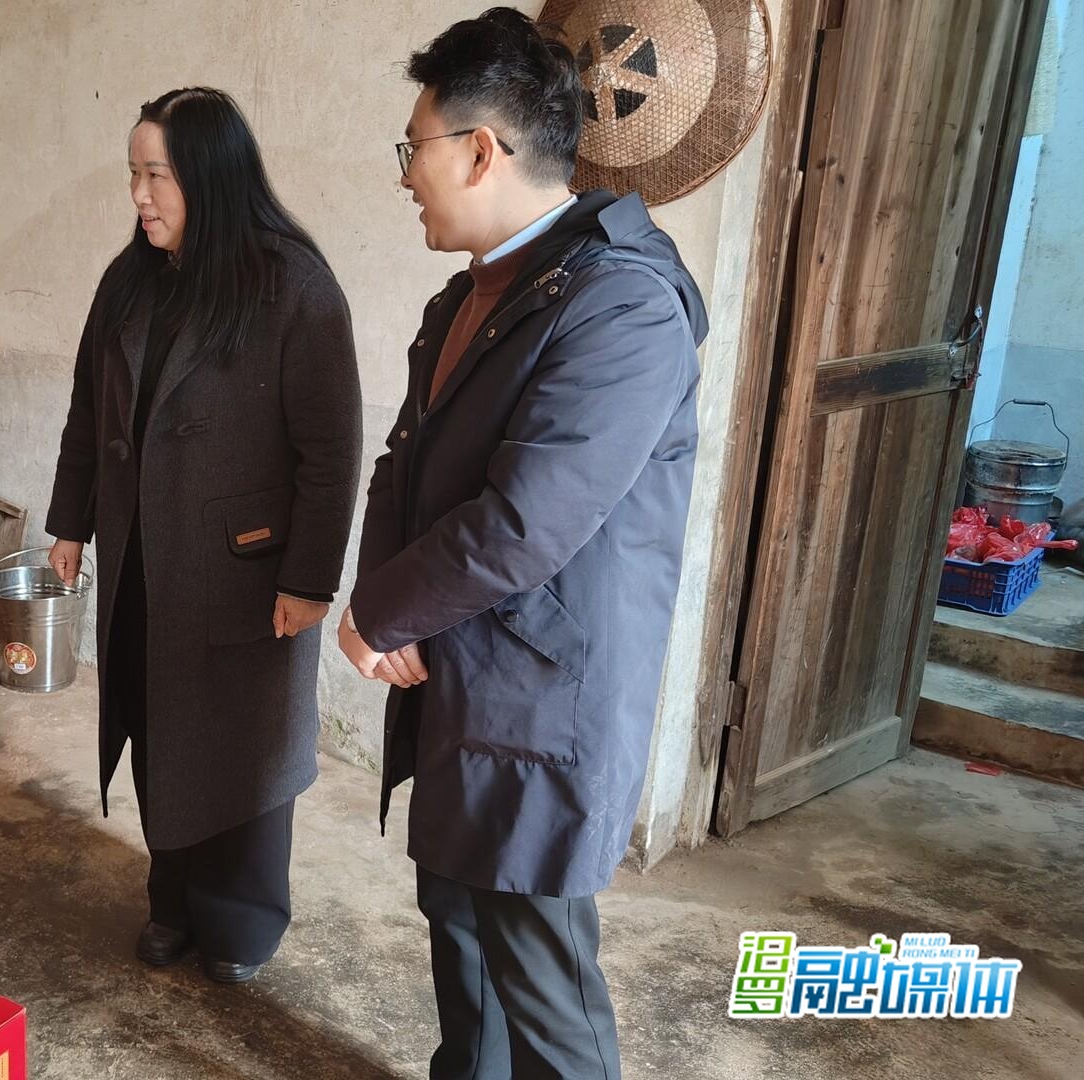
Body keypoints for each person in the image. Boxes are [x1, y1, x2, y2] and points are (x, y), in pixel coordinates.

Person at [337, 10, 705, 1079]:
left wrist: (377, 615)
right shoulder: (474, 292)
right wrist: (383, 601)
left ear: (481, 151)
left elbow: (524, 523)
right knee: (459, 925)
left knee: (541, 975)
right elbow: (405, 464)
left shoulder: (622, 306)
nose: (406, 174)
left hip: (542, 696)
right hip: (461, 668)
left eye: (415, 146)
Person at [46, 87, 362, 985]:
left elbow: (331, 451)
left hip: (247, 570)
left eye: (158, 176)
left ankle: (243, 921)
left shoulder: (291, 285)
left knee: (243, 746)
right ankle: (173, 901)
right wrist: (70, 524)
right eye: (133, 174)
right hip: (146, 556)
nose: (139, 196)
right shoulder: (131, 278)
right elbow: (87, 412)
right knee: (160, 727)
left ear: (212, 176)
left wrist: (309, 579)